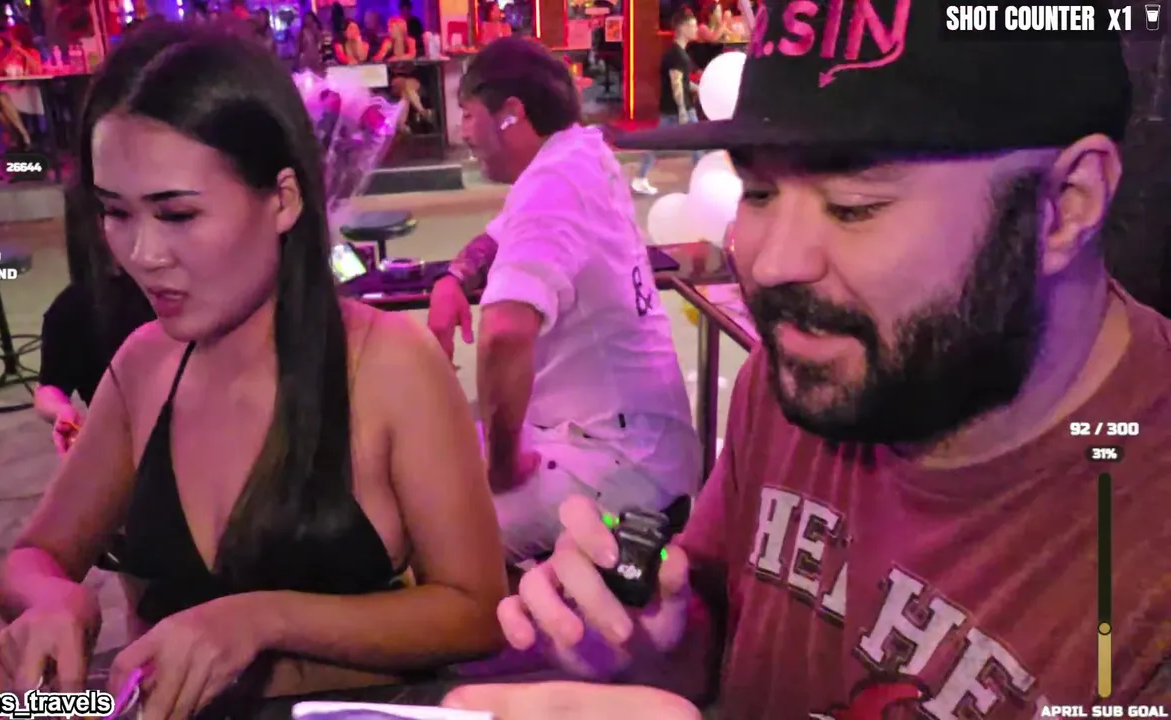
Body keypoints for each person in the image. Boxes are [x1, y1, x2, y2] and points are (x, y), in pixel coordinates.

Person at [446, 0, 1171, 717]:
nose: (772, 264)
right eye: (759, 190)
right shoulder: (798, 373)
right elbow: (717, 641)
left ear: (1066, 203)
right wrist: (644, 644)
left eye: (853, 204)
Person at [0, 22, 506, 716]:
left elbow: (476, 610)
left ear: (284, 199)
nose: (140, 254)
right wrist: (55, 597)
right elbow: (31, 558)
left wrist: (263, 619)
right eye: (115, 213)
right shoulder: (142, 367)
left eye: (178, 214)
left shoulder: (390, 367)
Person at [430, 37, 698, 566]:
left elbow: (504, 333)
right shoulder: (579, 153)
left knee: (426, 528)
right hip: (638, 441)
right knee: (430, 448)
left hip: (617, 460)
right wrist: (453, 279)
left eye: (468, 114)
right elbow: (497, 237)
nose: (463, 134)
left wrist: (502, 467)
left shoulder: (554, 181)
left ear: (511, 114)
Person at [36, 189, 156, 455]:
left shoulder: (183, 287)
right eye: (118, 213)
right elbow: (49, 387)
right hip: (127, 451)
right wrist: (61, 411)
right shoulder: (73, 306)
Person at [630, 7, 698, 196]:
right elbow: (676, 84)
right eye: (693, 26)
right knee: (698, 144)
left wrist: (698, 88)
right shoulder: (678, 55)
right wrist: (682, 110)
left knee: (662, 143)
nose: (696, 29)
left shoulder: (677, 53)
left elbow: (682, 82)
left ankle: (640, 178)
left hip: (673, 109)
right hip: (678, 109)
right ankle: (703, 183)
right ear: (682, 28)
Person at [374, 16, 431, 130]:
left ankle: (402, 124)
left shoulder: (410, 41)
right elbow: (377, 59)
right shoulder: (388, 42)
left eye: (391, 27)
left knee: (406, 89)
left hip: (411, 76)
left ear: (400, 28)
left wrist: (397, 58)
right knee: (404, 85)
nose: (389, 30)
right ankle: (423, 112)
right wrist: (385, 51)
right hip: (395, 78)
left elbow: (412, 55)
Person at [0, 21, 41, 151]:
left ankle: (18, 139)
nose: (9, 38)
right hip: (10, 92)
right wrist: (10, 55)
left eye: (11, 36)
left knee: (2, 115)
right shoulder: (8, 54)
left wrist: (22, 52)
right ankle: (24, 135)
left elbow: (37, 70)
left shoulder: (32, 52)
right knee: (1, 108)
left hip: (28, 91)